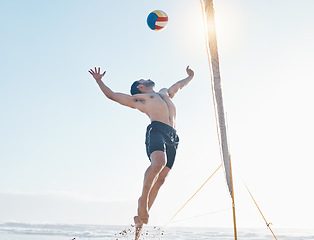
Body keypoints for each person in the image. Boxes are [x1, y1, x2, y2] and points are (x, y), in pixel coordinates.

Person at [89, 66, 194, 238]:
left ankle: (139, 223)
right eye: (142, 79)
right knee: (158, 163)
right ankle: (142, 200)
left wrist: (190, 76)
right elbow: (113, 95)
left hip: (173, 137)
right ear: (140, 86)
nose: (147, 78)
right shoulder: (140, 99)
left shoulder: (164, 92)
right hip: (157, 130)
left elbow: (179, 85)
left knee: (160, 181)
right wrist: (99, 80)